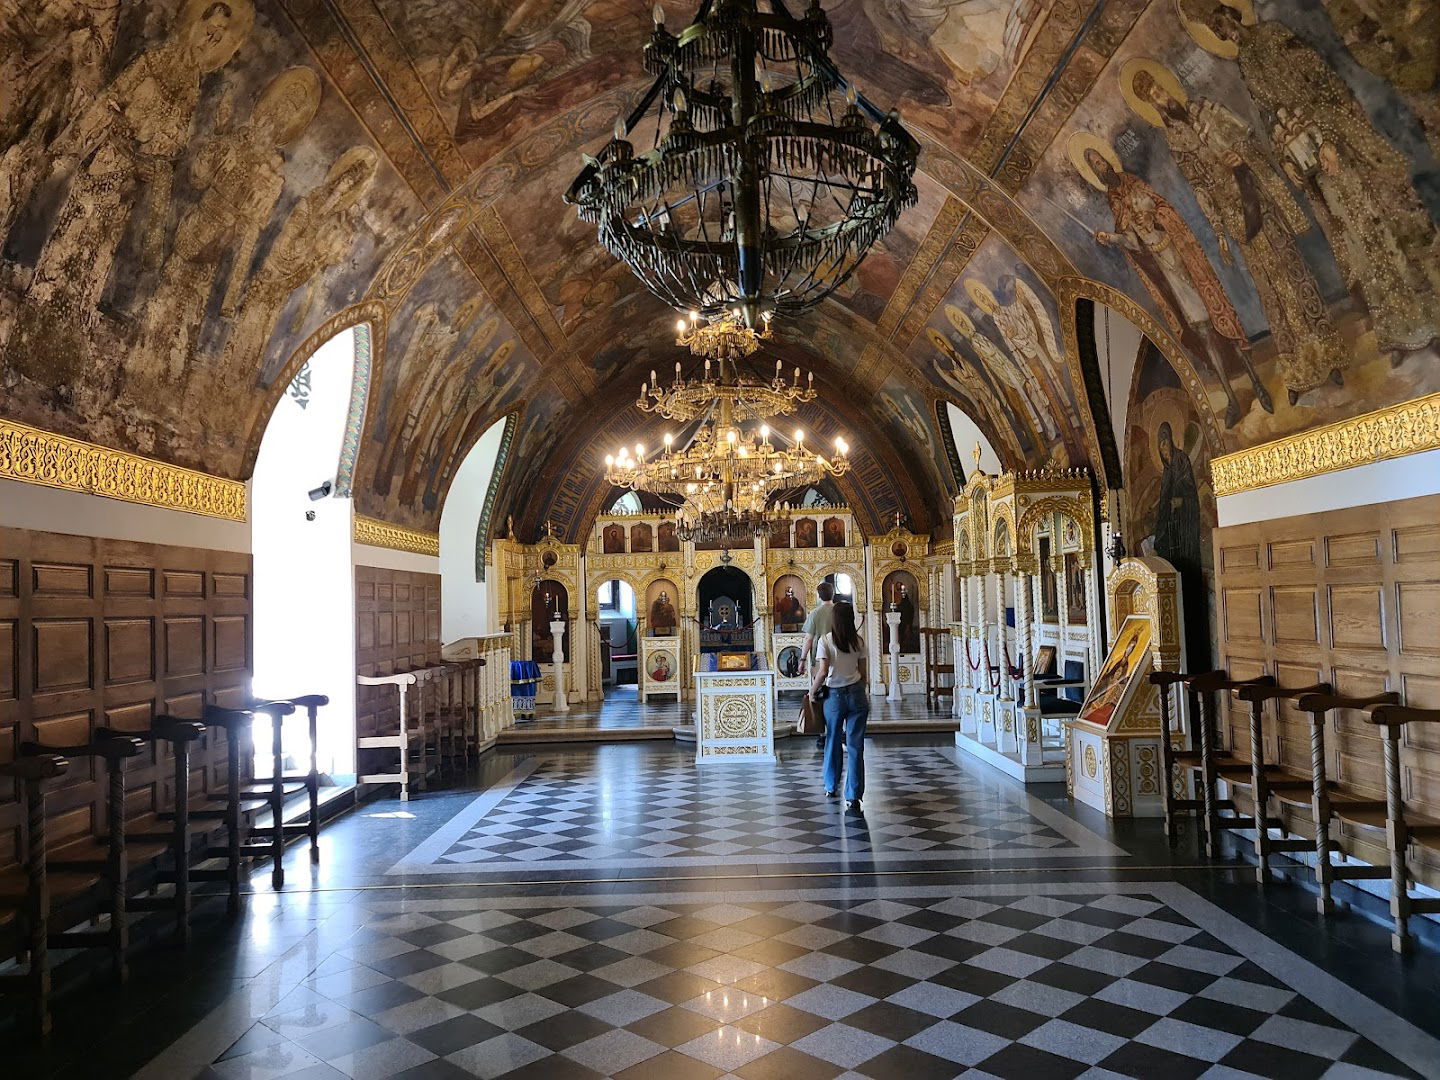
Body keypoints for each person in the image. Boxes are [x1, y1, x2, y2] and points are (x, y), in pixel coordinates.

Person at [810, 601, 870, 811]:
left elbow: (823, 671)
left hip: (833, 697)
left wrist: (811, 692)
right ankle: (853, 796)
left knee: (833, 740)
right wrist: (857, 688)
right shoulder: (859, 641)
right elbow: (864, 673)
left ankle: (830, 785)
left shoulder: (825, 641)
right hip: (856, 694)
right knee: (855, 746)